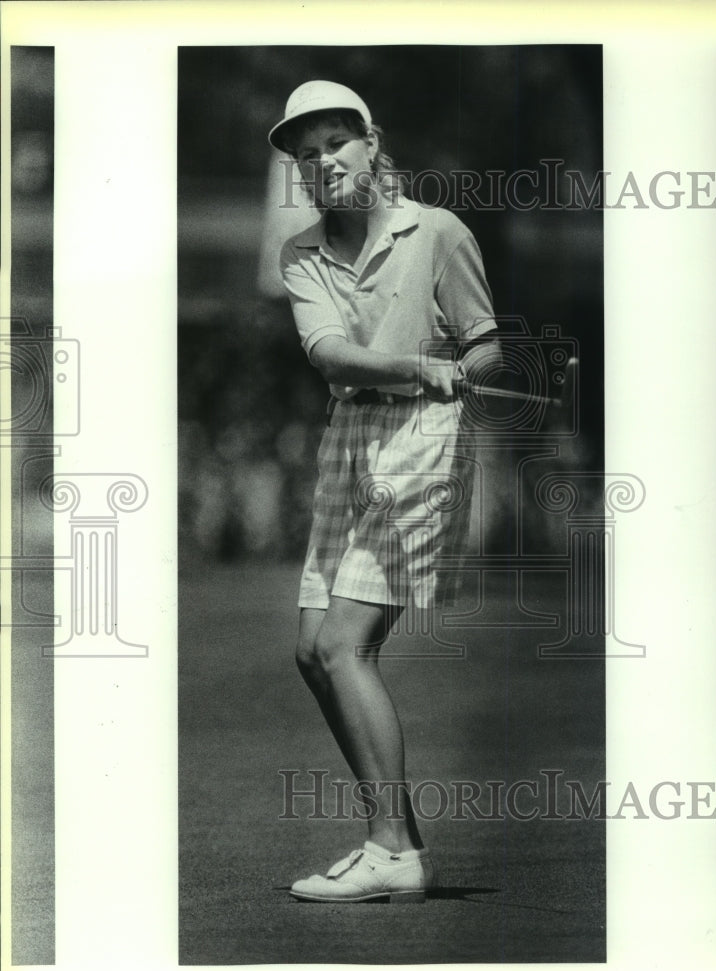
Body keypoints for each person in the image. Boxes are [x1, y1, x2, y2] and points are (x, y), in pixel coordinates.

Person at [269, 80, 501, 903]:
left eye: (336, 143)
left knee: (345, 646)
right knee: (311, 652)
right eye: (307, 154)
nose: (322, 162)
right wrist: (412, 365)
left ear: (373, 143)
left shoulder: (435, 230)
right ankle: (395, 845)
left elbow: (485, 346)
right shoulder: (301, 254)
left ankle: (391, 849)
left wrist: (462, 373)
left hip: (420, 444)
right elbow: (329, 354)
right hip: (349, 438)